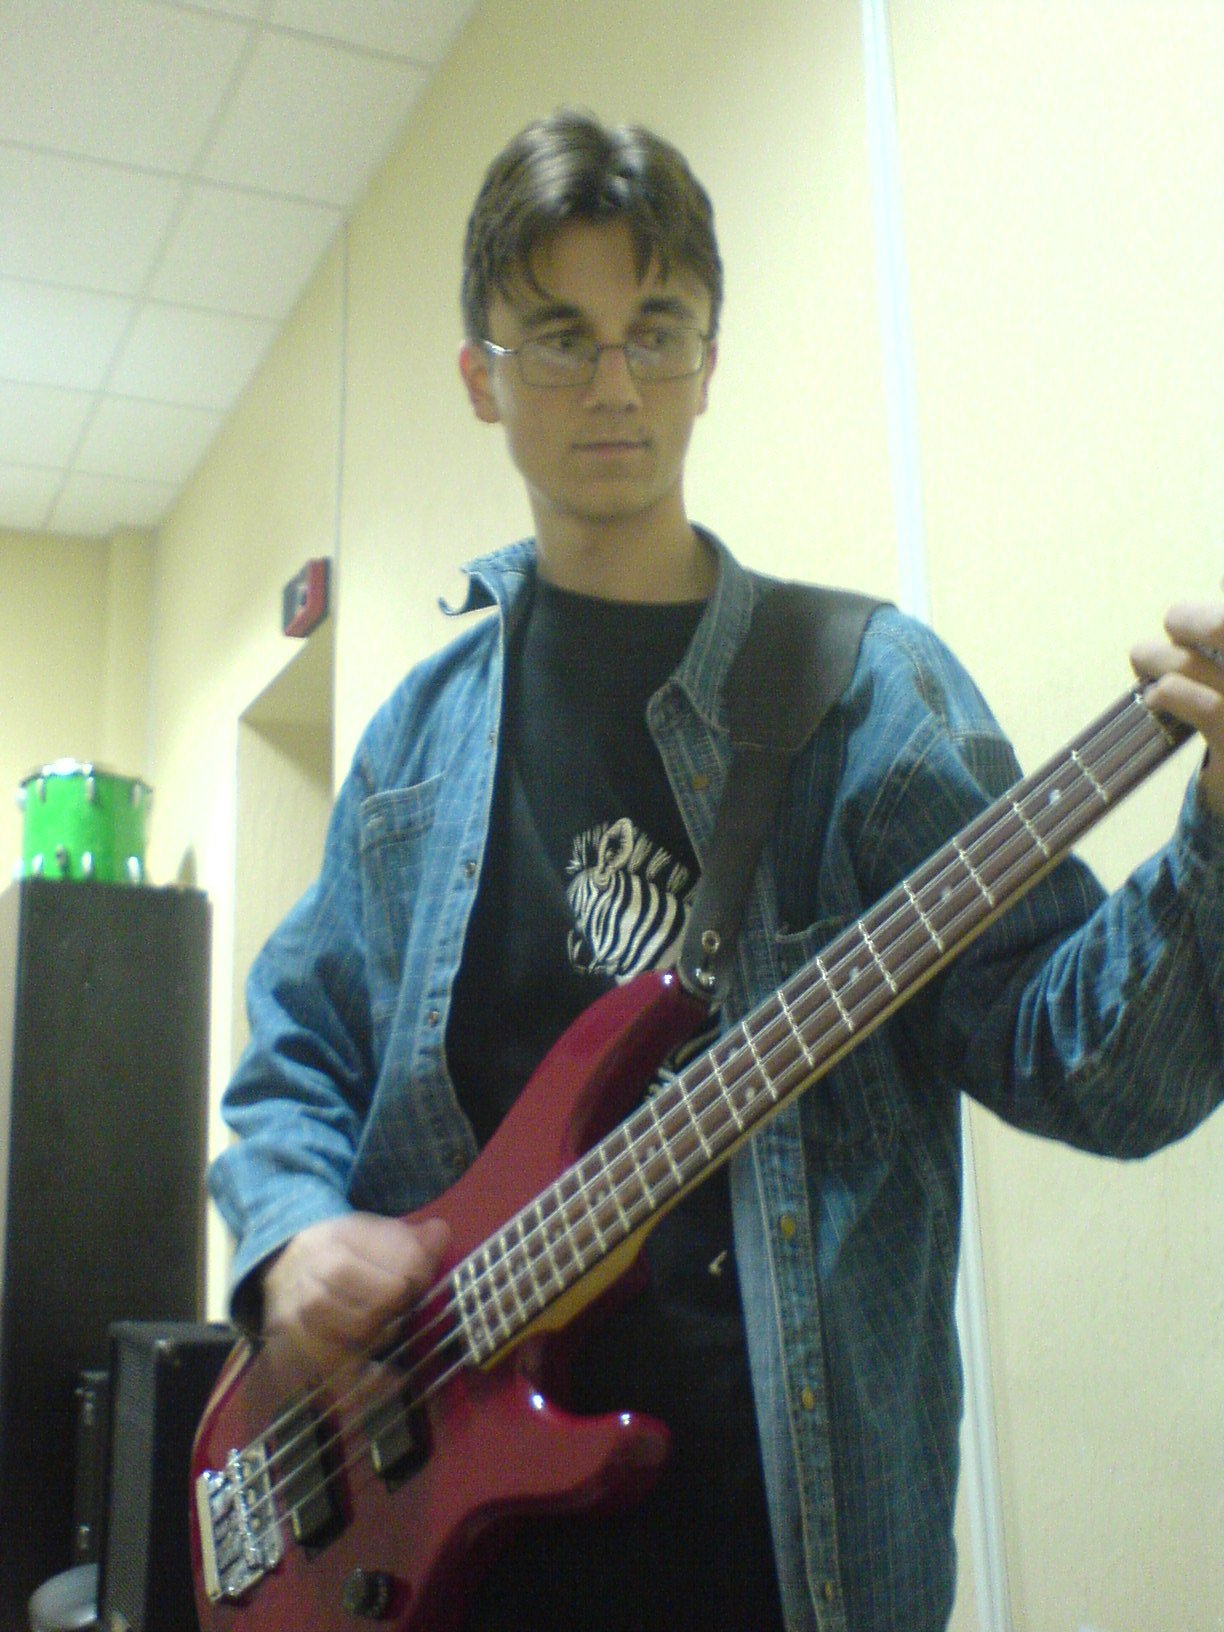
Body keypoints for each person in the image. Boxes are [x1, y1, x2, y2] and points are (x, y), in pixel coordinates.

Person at [209, 110, 1224, 1632]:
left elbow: (1094, 1069)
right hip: (433, 1560)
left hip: (777, 1566)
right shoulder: (418, 742)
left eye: (658, 329)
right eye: (563, 337)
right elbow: (297, 1053)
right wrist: (290, 1233)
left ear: (708, 361)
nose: (617, 382)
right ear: (482, 377)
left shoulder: (865, 693)